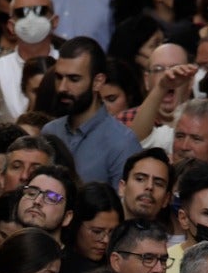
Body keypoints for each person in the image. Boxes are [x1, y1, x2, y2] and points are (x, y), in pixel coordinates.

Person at [41, 38, 143, 189]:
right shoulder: (49, 131)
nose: (62, 87)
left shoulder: (122, 143)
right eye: (58, 77)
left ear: (98, 82)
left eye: (74, 79)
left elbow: (122, 208)